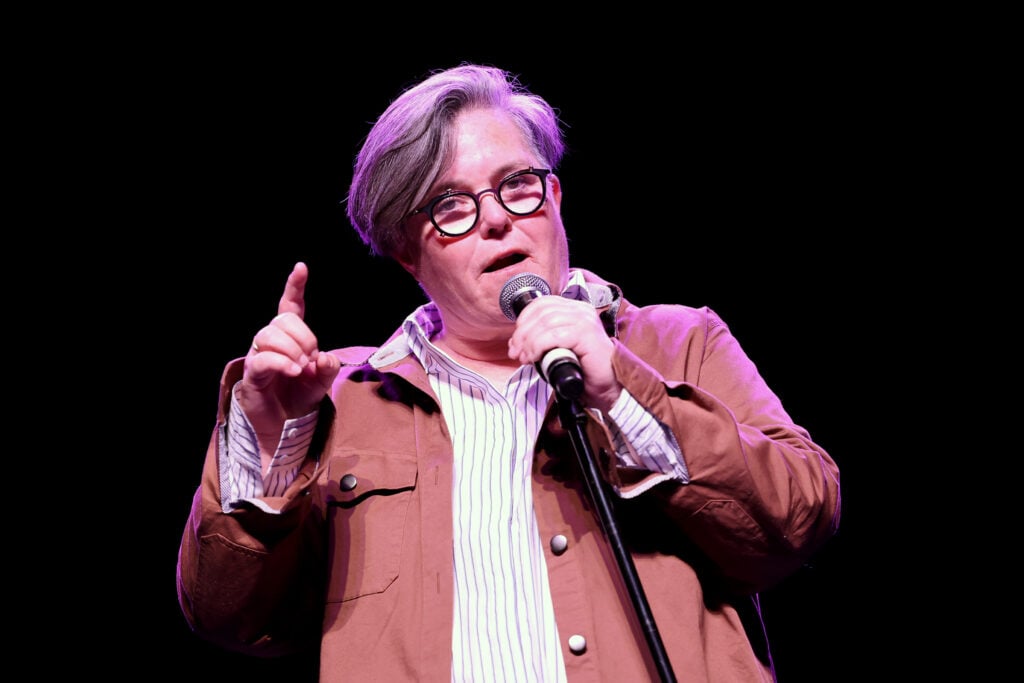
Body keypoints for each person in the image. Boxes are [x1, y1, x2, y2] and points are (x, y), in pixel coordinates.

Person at [176, 63, 841, 682]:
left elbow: (797, 521)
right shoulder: (344, 398)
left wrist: (622, 391)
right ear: (407, 252)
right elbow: (230, 615)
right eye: (451, 205)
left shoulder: (677, 342)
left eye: (518, 185)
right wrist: (271, 440)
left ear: (555, 196)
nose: (496, 218)